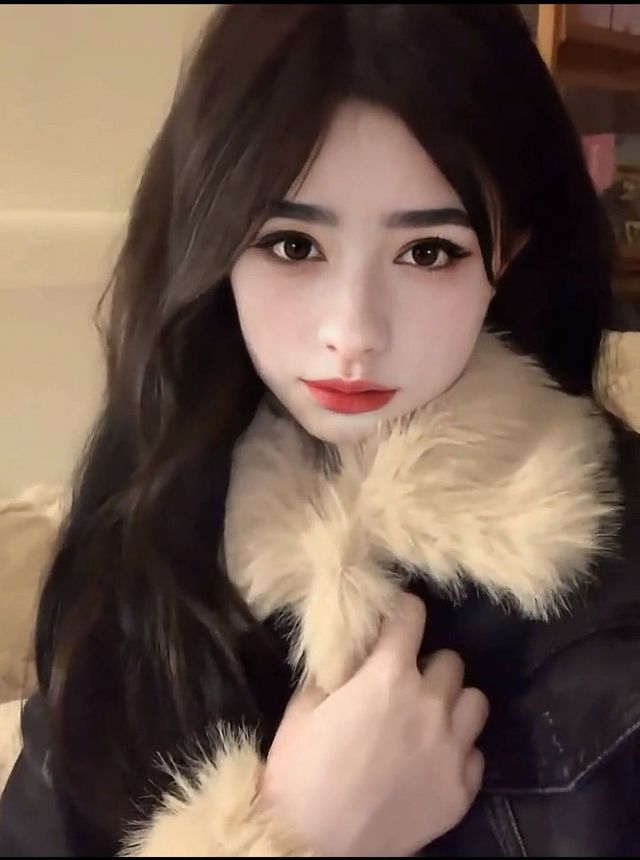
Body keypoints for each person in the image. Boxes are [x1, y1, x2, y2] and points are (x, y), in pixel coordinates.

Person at [1, 3, 639, 855]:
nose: (354, 332)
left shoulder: (613, 606)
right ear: (212, 240)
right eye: (293, 245)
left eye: (429, 251)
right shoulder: (143, 535)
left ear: (508, 251)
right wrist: (297, 835)